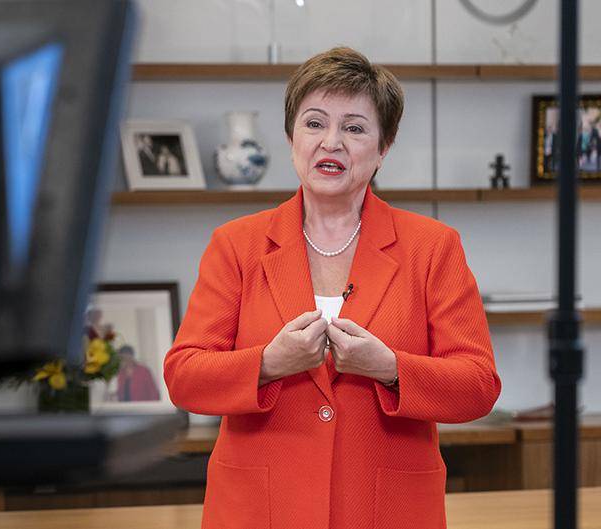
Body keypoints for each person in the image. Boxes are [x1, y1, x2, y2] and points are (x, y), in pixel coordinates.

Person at [163, 47, 501, 529]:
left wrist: (390, 368)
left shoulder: (433, 247)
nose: (331, 142)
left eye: (355, 128)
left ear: (383, 148)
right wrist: (268, 364)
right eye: (314, 123)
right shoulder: (236, 245)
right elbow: (184, 377)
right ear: (291, 137)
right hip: (260, 509)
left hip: (386, 510)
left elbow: (478, 386)